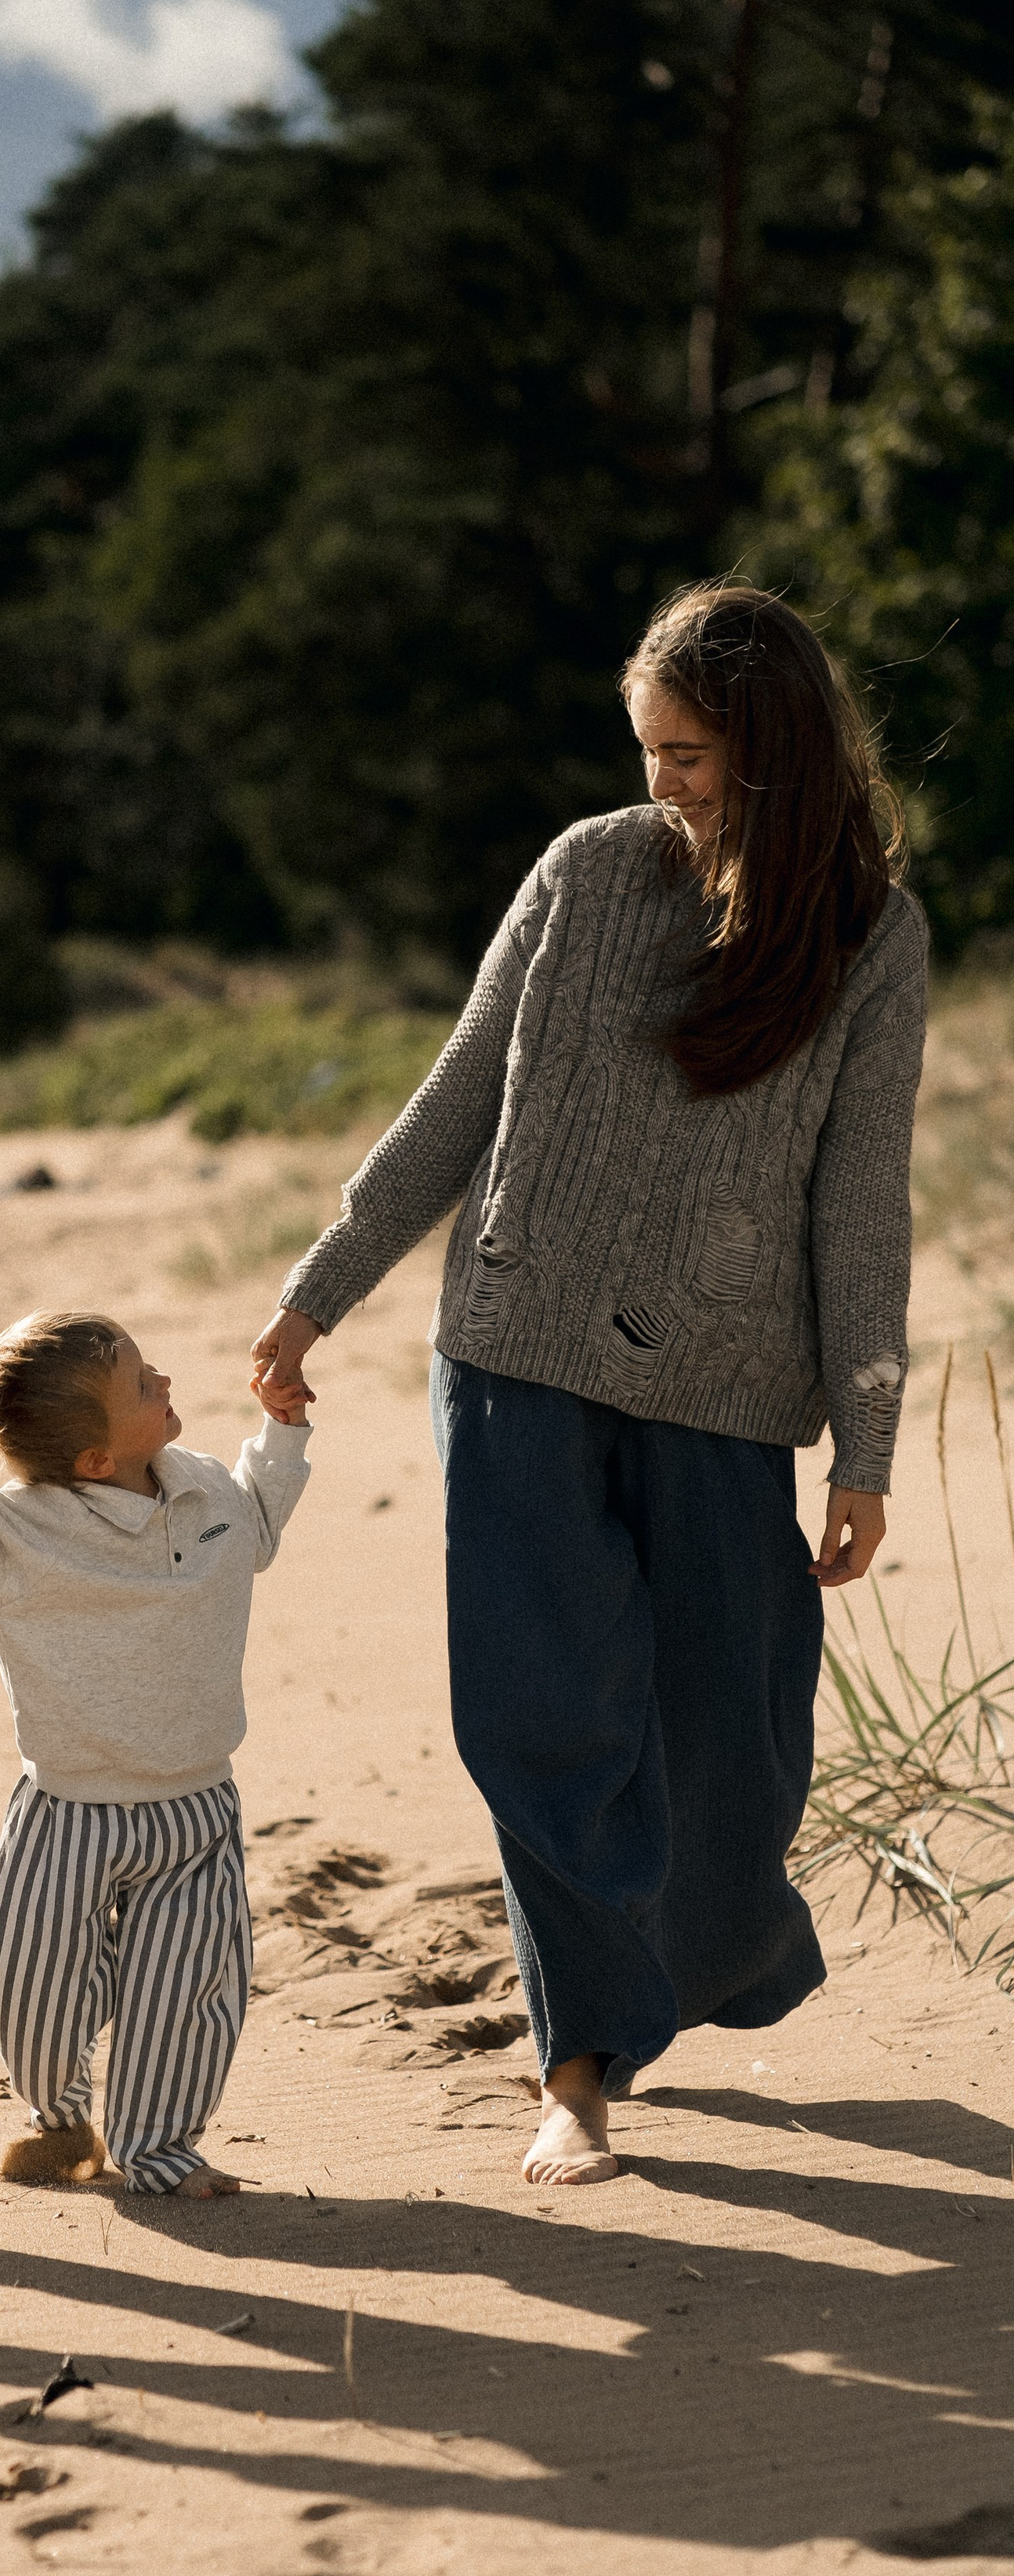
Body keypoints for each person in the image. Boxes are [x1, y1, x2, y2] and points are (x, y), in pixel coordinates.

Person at [250, 583, 925, 2189]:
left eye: (685, 755)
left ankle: (690, 1967)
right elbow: (456, 1097)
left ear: (767, 751)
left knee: (731, 1745)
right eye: (645, 751)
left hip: (727, 1385)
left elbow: (860, 1201)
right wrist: (314, 1292)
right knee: (541, 1713)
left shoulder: (868, 935)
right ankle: (577, 2069)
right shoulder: (581, 872)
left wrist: (865, 1441)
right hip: (513, 1352)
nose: (658, 785)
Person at [0, 1311, 310, 2197]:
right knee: (29, 1985)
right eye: (139, 1382)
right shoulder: (16, 1536)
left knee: (186, 1993)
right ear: (91, 1462)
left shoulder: (204, 1492)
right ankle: (59, 2116)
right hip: (65, 1809)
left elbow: (260, 1523)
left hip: (196, 1807)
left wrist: (279, 1429)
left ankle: (160, 2148)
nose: (162, 1379)